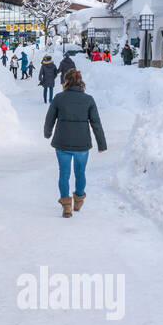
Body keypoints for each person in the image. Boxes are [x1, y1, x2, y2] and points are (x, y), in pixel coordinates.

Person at [43, 68, 107, 218]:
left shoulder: (59, 98)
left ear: (66, 81)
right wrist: (101, 144)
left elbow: (49, 119)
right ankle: (78, 201)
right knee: (80, 173)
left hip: (62, 143)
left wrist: (47, 133)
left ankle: (66, 206)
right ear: (81, 83)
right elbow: (96, 123)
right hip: (82, 144)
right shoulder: (89, 100)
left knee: (64, 173)